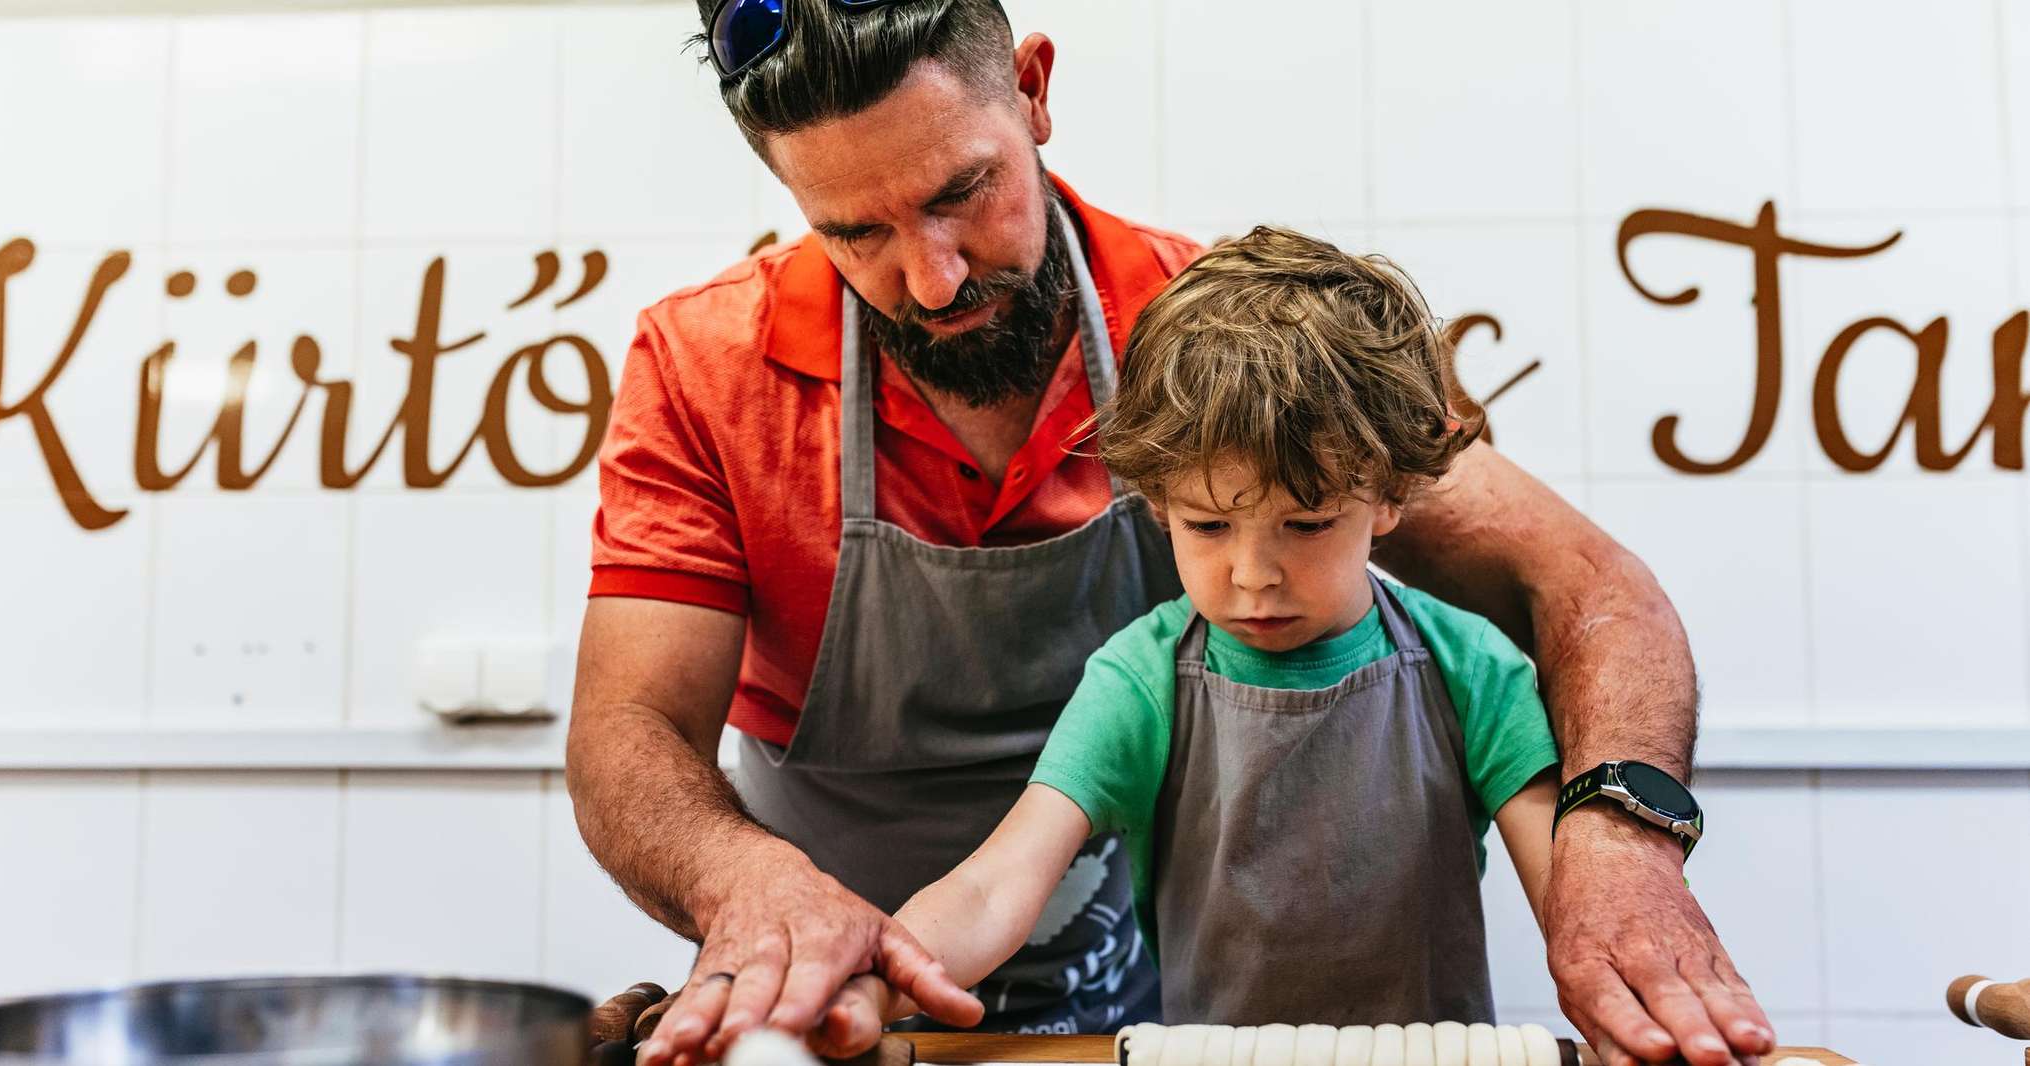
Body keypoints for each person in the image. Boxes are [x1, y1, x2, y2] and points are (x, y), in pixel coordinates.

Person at [566, 3, 1773, 1065]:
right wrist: (762, 899)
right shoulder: (698, 368)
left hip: (1159, 1019)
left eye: (958, 194)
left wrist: (1620, 861)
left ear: (1033, 91)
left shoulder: (1216, 346)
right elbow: (628, 730)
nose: (930, 279)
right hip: (854, 1003)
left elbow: (1589, 584)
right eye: (855, 234)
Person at [676, 226, 1565, 1047]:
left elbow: (1574, 898)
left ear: (1391, 498)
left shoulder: (1471, 668)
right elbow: (996, 886)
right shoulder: (1143, 679)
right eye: (1209, 528)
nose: (1253, 575)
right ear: (1159, 501)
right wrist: (870, 985)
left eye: (1307, 525)